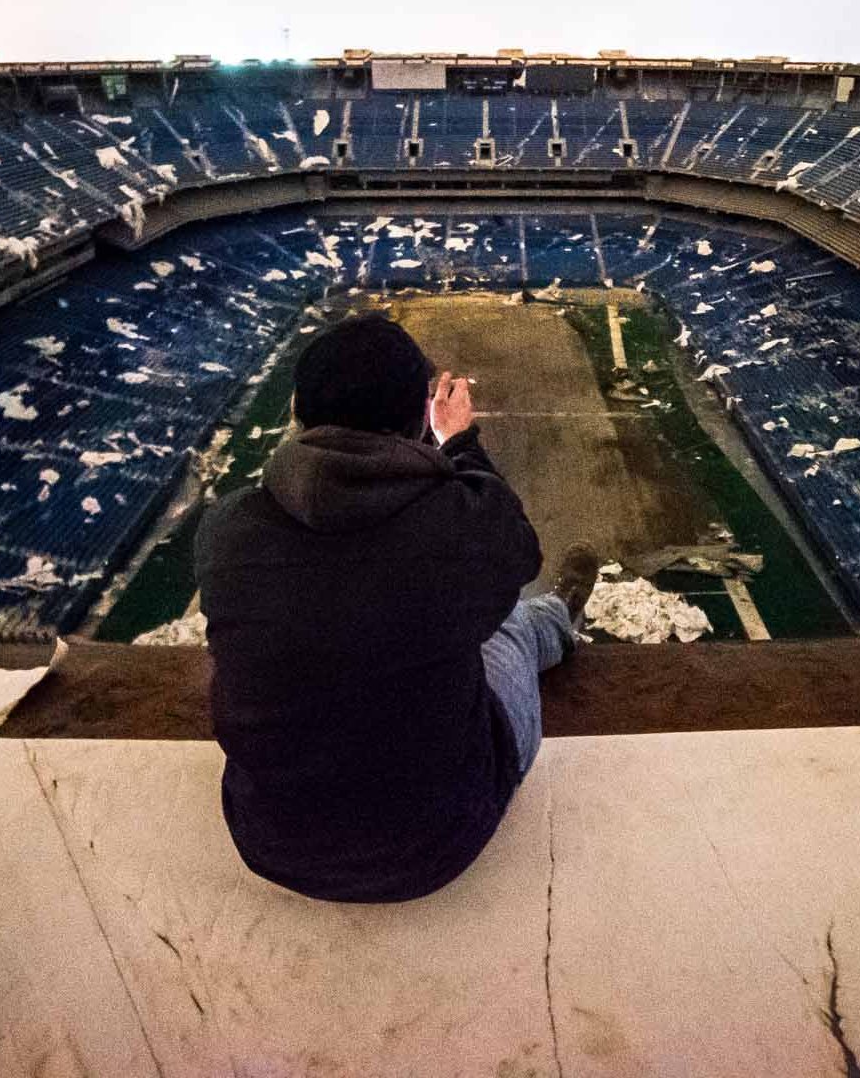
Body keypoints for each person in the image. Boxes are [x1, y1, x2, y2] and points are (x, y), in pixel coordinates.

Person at [196, 312, 599, 902]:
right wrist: (458, 441)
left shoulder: (226, 529)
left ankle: (548, 625)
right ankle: (558, 623)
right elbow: (514, 545)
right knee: (508, 619)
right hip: (435, 843)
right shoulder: (456, 533)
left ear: (297, 417)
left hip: (271, 837)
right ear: (416, 427)